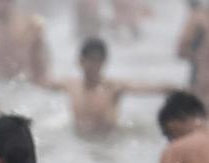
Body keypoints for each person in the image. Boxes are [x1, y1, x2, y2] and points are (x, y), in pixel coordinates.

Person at [38, 38, 175, 137]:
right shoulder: (71, 85)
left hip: (108, 142)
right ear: (80, 61)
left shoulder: (112, 87)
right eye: (90, 60)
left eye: (98, 60)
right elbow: (43, 81)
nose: (94, 65)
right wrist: (38, 43)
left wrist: (172, 89)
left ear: (104, 62)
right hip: (80, 142)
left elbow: (146, 88)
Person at [177, 1, 209, 106]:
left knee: (200, 108)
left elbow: (182, 49)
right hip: (201, 73)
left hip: (201, 76)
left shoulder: (198, 17)